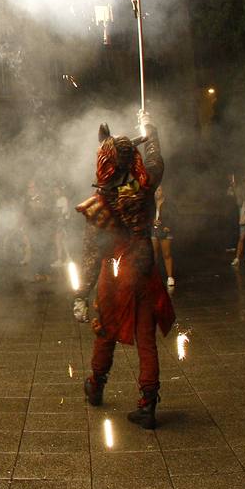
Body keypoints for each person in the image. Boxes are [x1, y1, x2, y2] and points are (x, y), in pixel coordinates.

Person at [75, 113, 172, 430]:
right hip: (142, 268)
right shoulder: (145, 186)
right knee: (146, 339)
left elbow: (91, 251)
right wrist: (151, 129)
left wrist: (81, 294)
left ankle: (97, 384)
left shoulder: (101, 202)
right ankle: (147, 403)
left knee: (105, 332)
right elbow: (156, 160)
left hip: (114, 275)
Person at [152, 185, 174, 287]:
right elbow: (146, 215)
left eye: (159, 190)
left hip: (165, 231)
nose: (157, 192)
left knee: (166, 254)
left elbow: (175, 215)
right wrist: (152, 221)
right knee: (154, 254)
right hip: (154, 230)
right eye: (156, 190)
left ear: (163, 191)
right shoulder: (151, 204)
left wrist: (168, 225)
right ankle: (155, 277)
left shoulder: (169, 203)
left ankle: (170, 277)